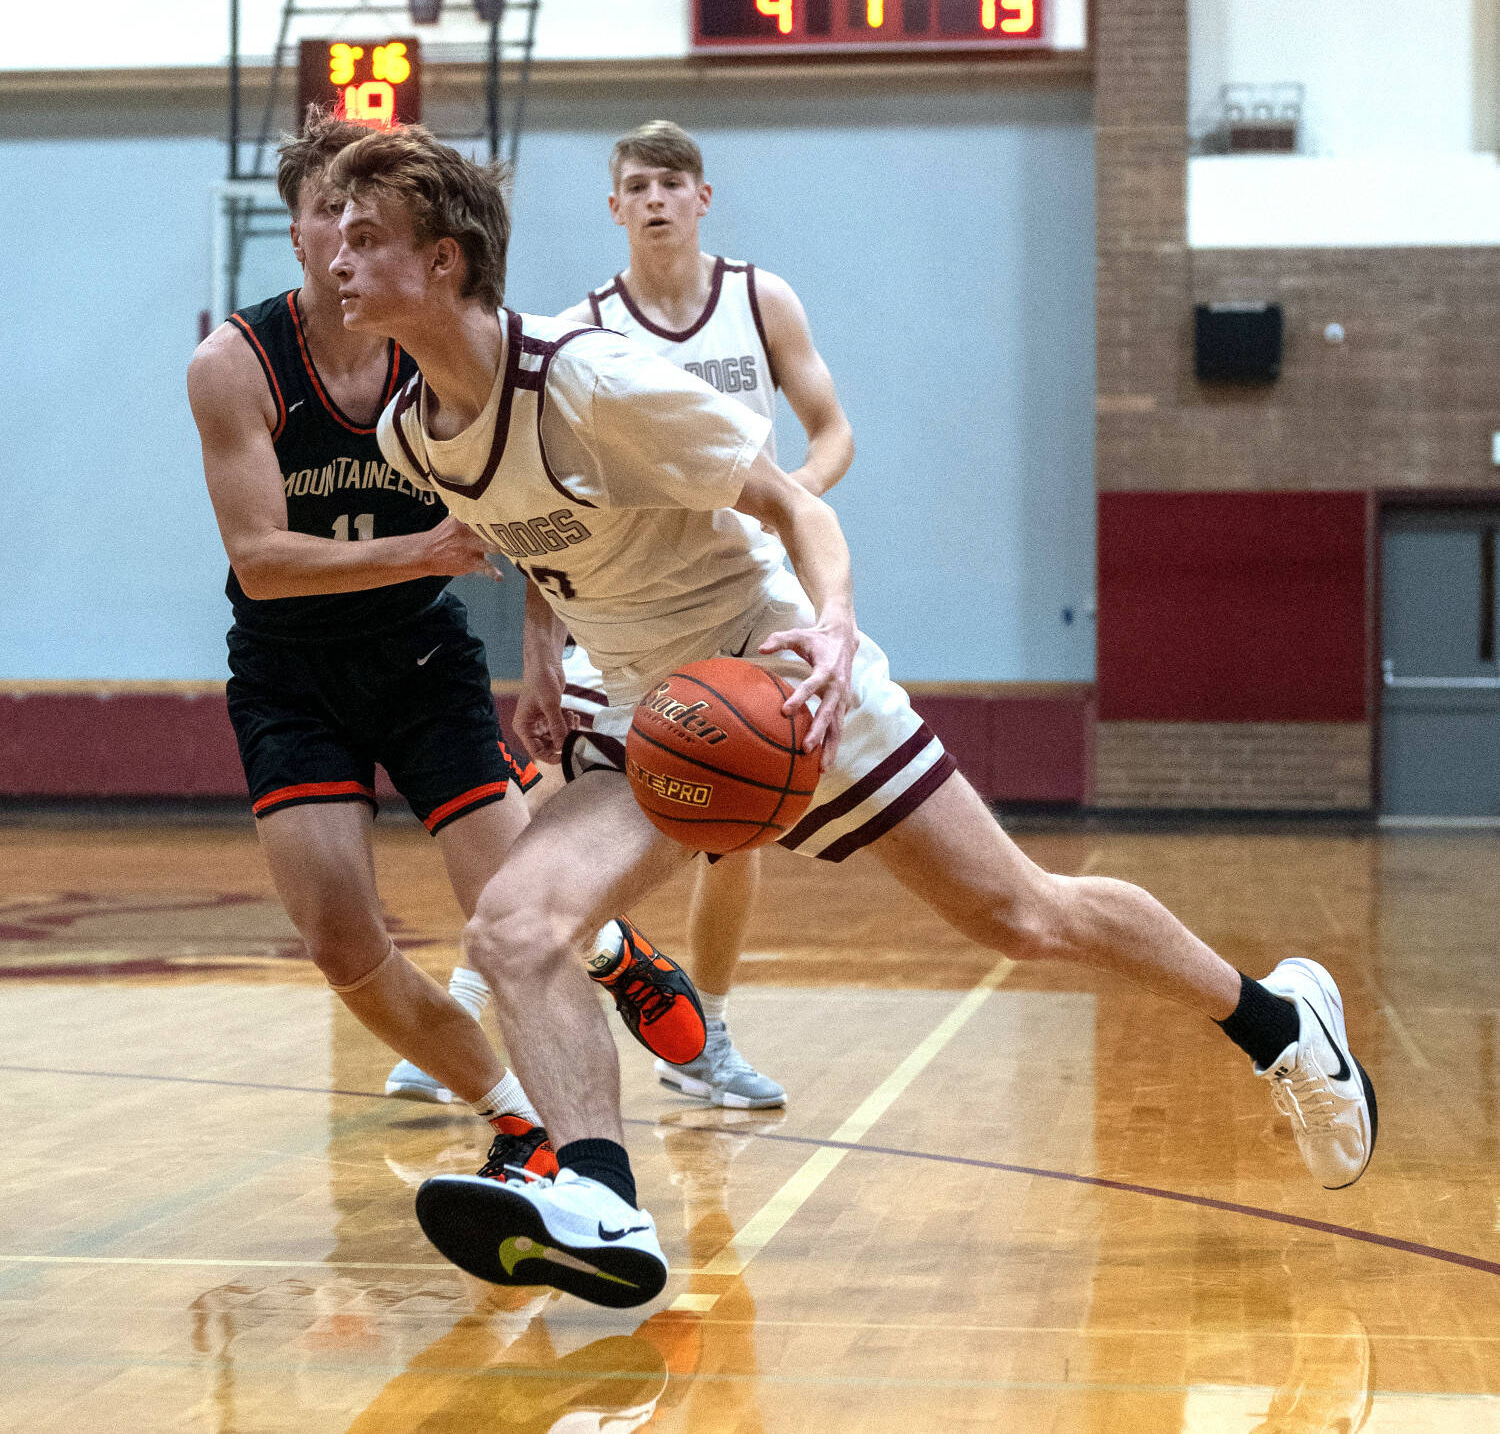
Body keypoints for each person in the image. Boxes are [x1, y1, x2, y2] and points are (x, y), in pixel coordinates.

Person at [324, 125, 1377, 1311]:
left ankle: (1279, 1020)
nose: (339, 261)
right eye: (339, 238)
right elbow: (540, 543)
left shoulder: (586, 376)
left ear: (448, 262)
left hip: (774, 672)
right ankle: (603, 1197)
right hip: (645, 708)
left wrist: (830, 627)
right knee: (514, 927)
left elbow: (787, 501)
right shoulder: (412, 428)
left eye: (367, 239)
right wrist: (541, 654)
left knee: (1020, 914)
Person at [187, 110, 704, 1191]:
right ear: (295, 234)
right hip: (291, 675)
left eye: (363, 218)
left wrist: (542, 655)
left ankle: (614, 954)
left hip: (421, 658)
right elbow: (262, 559)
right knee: (340, 940)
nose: (343, 239)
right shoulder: (236, 365)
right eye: (325, 213)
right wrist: (422, 543)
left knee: (509, 906)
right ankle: (515, 1121)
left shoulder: (444, 348)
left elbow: (535, 505)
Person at [394, 118, 854, 1111]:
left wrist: (782, 501)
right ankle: (485, 996)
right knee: (555, 798)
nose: (654, 198)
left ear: (702, 199)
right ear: (615, 208)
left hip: (731, 588)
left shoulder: (758, 300)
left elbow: (832, 429)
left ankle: (707, 1036)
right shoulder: (582, 333)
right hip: (612, 604)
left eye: (672, 182)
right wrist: (540, 654)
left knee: (735, 819)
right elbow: (534, 515)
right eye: (636, 185)